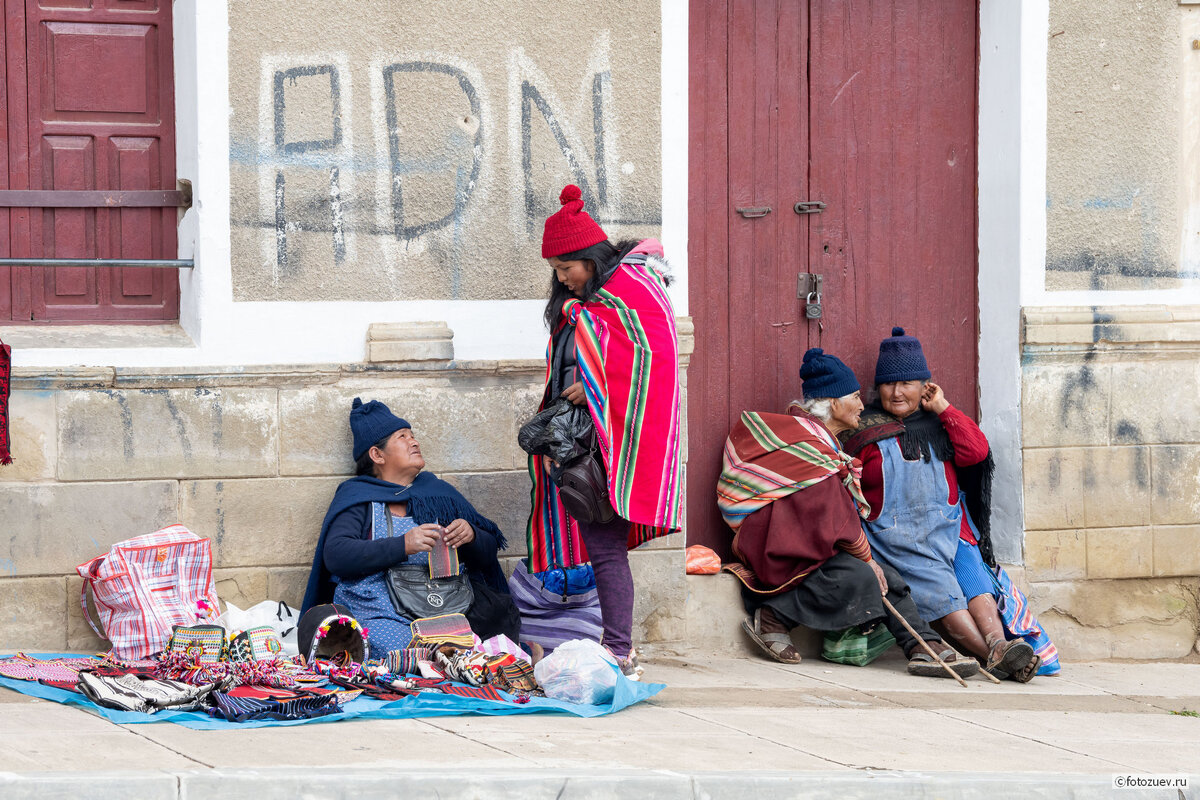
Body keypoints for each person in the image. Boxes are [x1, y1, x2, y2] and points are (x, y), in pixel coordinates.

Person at [718, 348, 978, 678]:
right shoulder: (811, 447)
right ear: (833, 403)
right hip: (775, 547)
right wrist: (866, 558)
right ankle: (774, 617)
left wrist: (869, 561)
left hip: (802, 544)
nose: (861, 405)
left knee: (886, 577)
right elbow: (834, 520)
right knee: (862, 576)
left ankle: (923, 648)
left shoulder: (820, 442)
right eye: (855, 397)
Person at [527, 184, 682, 679]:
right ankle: (611, 648)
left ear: (590, 258)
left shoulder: (632, 292)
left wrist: (590, 386)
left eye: (566, 268)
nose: (562, 279)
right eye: (555, 271)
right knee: (600, 548)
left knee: (606, 548)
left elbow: (649, 360)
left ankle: (619, 650)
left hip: (617, 448)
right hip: (579, 446)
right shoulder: (590, 302)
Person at [842, 327, 1050, 682]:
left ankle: (999, 643)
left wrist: (942, 407)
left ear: (925, 387)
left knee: (974, 582)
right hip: (896, 539)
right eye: (889, 385)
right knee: (942, 594)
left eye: (907, 384)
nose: (896, 392)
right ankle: (995, 655)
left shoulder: (941, 423)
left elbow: (977, 452)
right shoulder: (862, 430)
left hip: (950, 530)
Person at [301, 398, 517, 656]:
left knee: (502, 616)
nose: (414, 441)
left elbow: (487, 554)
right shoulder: (358, 497)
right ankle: (450, 656)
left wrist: (471, 536)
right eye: (402, 437)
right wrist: (403, 545)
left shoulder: (438, 493)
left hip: (447, 605)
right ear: (377, 455)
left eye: (413, 436)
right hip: (383, 612)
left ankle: (452, 653)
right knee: (399, 647)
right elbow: (337, 555)